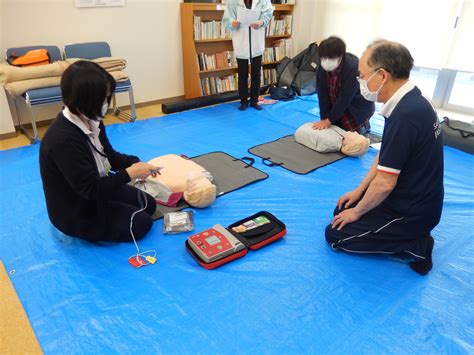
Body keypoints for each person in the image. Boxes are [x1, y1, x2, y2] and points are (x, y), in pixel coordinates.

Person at [325, 40, 444, 276]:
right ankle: (402, 233)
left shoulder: (406, 115)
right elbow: (385, 154)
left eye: (362, 75)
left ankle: (416, 247)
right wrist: (358, 192)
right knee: (342, 209)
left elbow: (385, 182)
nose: (360, 81)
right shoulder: (411, 99)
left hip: (411, 211)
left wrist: (358, 213)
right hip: (408, 196)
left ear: (382, 76)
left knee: (336, 235)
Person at [40, 61, 160, 243]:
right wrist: (130, 173)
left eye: (106, 97)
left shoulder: (92, 120)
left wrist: (134, 162)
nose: (106, 104)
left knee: (149, 205)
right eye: (102, 99)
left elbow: (109, 155)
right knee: (142, 223)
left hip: (97, 189)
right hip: (75, 210)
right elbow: (90, 189)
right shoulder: (62, 140)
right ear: (81, 102)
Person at [313, 36, 375, 134]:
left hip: (356, 106)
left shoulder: (353, 67)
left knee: (350, 136)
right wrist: (324, 119)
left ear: (341, 56)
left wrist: (328, 120)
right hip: (337, 103)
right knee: (333, 129)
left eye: (331, 58)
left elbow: (345, 98)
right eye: (324, 58)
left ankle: (364, 126)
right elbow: (322, 95)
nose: (327, 61)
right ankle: (335, 118)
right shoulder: (321, 68)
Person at [223, 0, 273, 111]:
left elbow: (268, 13)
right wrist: (233, 23)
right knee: (242, 74)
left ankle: (254, 101)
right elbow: (227, 18)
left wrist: (261, 22)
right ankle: (243, 101)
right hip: (241, 41)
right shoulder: (232, 1)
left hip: (256, 41)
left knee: (256, 74)